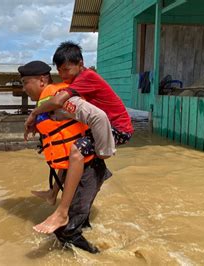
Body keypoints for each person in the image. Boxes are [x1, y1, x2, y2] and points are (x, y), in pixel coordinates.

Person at [26, 42, 134, 234]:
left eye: (67, 69)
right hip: (102, 125)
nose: (64, 75)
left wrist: (35, 113)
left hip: (117, 128)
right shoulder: (77, 81)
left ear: (80, 64)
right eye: (60, 71)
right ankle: (53, 194)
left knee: (77, 150)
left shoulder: (86, 77)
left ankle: (62, 212)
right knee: (69, 147)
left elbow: (59, 101)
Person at [18, 60, 112, 253]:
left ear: (42, 80)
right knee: (80, 221)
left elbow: (95, 115)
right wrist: (35, 122)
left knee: (64, 230)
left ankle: (102, 256)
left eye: (25, 82)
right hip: (74, 170)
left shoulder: (58, 95)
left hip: (88, 168)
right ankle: (88, 238)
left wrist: (104, 151)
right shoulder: (46, 101)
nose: (23, 87)